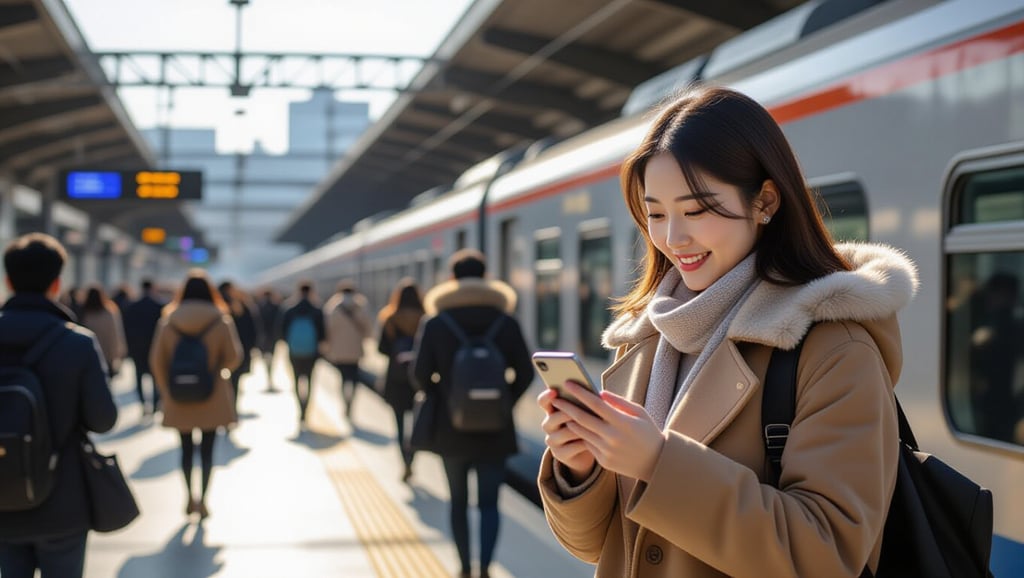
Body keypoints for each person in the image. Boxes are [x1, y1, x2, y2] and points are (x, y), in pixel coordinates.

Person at [537, 85, 919, 578]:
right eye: (656, 214)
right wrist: (581, 469)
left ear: (764, 201)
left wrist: (657, 462)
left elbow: (827, 553)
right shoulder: (646, 339)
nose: (673, 238)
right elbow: (600, 547)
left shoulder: (835, 349)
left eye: (695, 210)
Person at [0, 233, 118, 578]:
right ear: (56, 284)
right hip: (63, 497)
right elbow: (103, 420)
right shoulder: (77, 343)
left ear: (8, 281)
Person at [413, 249, 534, 578]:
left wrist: (446, 394)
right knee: (490, 504)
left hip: (450, 429)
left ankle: (464, 568)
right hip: (496, 429)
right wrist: (503, 402)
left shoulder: (436, 322)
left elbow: (420, 376)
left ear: (452, 279)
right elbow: (526, 372)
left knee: (458, 502)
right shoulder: (505, 321)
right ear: (485, 277)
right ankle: (485, 569)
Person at [149, 269, 242, 519]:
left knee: (186, 450)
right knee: (208, 451)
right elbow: (234, 357)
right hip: (213, 395)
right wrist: (216, 371)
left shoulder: (168, 321)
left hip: (179, 396)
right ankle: (205, 500)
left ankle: (189, 496)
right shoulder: (221, 320)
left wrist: (167, 389)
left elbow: (157, 361)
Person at [376, 277, 425, 482]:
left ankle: (404, 462)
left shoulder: (389, 318)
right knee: (416, 424)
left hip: (395, 378)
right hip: (419, 378)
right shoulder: (425, 318)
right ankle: (412, 458)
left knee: (399, 424)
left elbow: (382, 348)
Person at [323, 279, 373, 421]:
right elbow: (368, 330)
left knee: (343, 378)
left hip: (339, 351)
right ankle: (351, 402)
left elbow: (328, 329)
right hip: (355, 349)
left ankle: (345, 402)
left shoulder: (333, 307)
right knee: (354, 377)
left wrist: (328, 346)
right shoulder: (360, 305)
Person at [279, 281, 325, 427]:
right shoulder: (316, 310)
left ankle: (300, 408)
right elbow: (322, 334)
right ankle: (306, 410)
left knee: (296, 379)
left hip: (294, 351)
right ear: (311, 292)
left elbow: (282, 332)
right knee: (310, 380)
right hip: (311, 352)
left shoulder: (290, 309)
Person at [122, 278, 165, 415]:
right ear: (152, 288)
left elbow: (126, 328)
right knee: (155, 375)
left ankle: (143, 403)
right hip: (154, 346)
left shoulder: (132, 306)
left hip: (137, 347)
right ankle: (155, 403)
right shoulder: (159, 306)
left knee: (139, 375)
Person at [218, 281, 261, 413]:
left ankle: (224, 407)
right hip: (239, 350)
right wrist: (251, 348)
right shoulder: (242, 305)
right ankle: (232, 408)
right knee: (235, 380)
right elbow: (252, 330)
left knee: (219, 382)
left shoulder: (216, 306)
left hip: (219, 351)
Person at [78, 284, 127, 379]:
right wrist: (118, 354)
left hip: (87, 355)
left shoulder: (83, 313)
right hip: (106, 355)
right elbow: (115, 335)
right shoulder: (109, 312)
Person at [255, 288, 282, 392]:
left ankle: (268, 378)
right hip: (272, 338)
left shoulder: (259, 307)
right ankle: (270, 379)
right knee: (271, 360)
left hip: (263, 339)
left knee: (265, 360)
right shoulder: (276, 307)